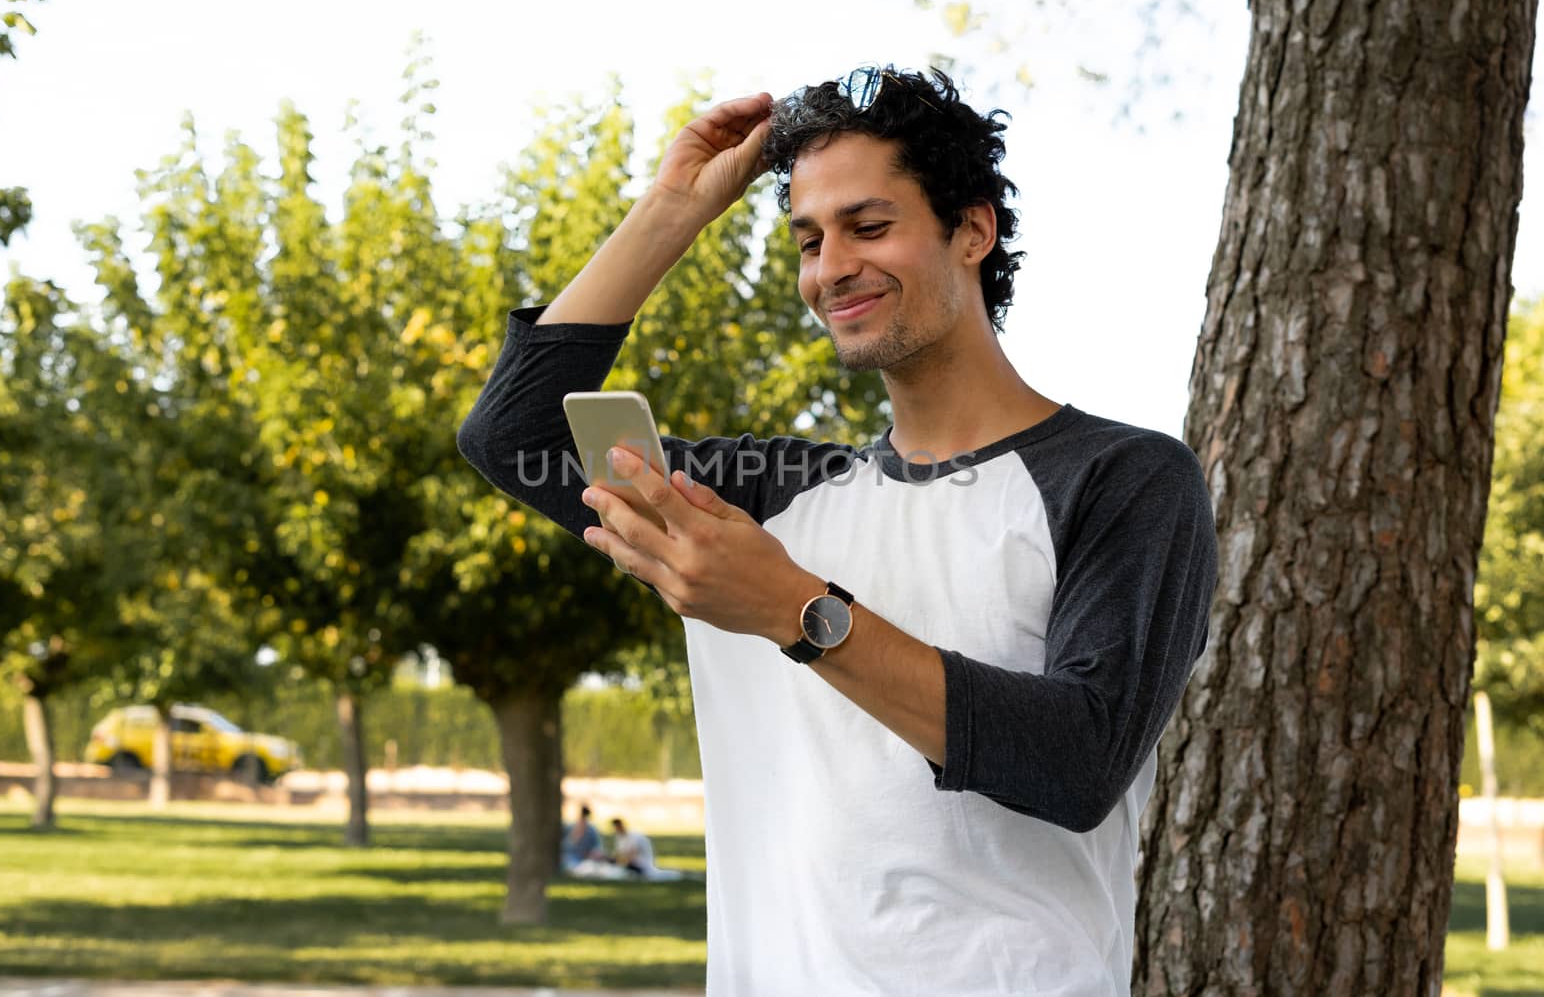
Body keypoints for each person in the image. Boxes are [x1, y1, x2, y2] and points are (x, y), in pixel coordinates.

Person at [459, 66, 1217, 996]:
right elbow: (513, 434)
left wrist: (794, 608)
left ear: (971, 230)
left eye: (869, 226)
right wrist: (670, 212)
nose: (831, 269)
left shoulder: (1122, 477)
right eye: (809, 241)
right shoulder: (771, 498)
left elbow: (1079, 760)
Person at [560, 803, 603, 870]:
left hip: (586, 860)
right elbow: (565, 847)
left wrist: (594, 853)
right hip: (570, 860)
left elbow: (597, 847)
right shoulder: (570, 827)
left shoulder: (591, 830)